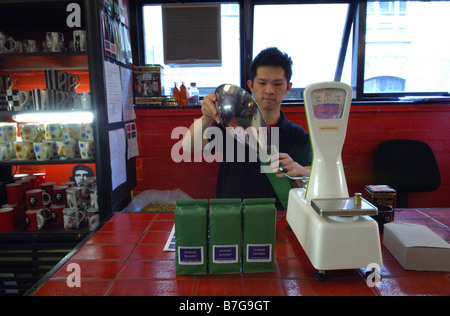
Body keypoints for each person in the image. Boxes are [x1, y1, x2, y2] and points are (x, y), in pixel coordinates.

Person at [183, 47, 312, 209]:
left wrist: (298, 169)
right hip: (231, 216)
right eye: (262, 83)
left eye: (277, 84)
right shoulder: (232, 123)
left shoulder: (297, 135)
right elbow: (188, 146)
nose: (269, 90)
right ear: (251, 85)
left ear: (288, 87)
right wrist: (207, 116)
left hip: (277, 218)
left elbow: (312, 180)